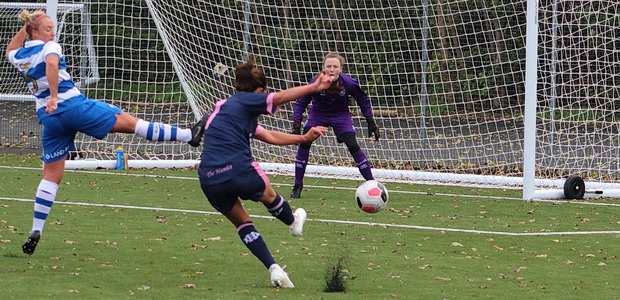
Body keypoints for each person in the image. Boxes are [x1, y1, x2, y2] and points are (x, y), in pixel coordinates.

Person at [6, 10, 207, 255]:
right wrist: (56, 96)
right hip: (71, 106)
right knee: (130, 122)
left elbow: (10, 48)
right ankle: (189, 135)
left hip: (50, 119)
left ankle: (36, 229)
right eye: (48, 28)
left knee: (50, 174)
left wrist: (27, 27)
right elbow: (51, 63)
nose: (53, 32)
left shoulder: (19, 56)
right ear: (35, 32)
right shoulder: (51, 48)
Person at [197, 58, 333, 288]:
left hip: (209, 179)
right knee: (269, 196)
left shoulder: (227, 107)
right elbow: (279, 98)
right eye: (264, 92)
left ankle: (274, 268)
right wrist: (313, 87)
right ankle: (292, 222)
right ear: (259, 91)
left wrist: (303, 138)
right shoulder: (247, 101)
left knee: (243, 223)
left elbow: (268, 136)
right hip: (238, 168)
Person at [290, 53, 379, 198]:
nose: (332, 69)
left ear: (341, 68)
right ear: (323, 68)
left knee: (353, 145)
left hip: (341, 116)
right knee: (304, 143)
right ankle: (297, 184)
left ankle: (372, 183)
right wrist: (296, 124)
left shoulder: (349, 83)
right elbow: (301, 101)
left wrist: (370, 121)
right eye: (328, 66)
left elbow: (363, 99)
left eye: (335, 66)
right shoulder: (316, 82)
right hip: (318, 114)